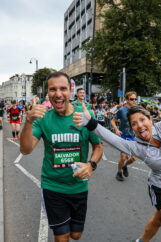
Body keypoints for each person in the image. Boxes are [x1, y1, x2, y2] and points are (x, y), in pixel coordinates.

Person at [73, 41, 161, 242]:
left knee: (158, 222)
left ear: (150, 119)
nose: (140, 126)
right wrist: (90, 123)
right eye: (134, 124)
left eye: (142, 120)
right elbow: (109, 136)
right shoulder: (135, 146)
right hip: (160, 188)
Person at [20, 72, 103, 242]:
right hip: (53, 186)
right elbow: (26, 150)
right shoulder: (42, 119)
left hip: (79, 187)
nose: (58, 93)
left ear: (70, 91)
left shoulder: (86, 116)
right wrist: (28, 121)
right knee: (62, 236)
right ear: (47, 93)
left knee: (76, 235)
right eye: (53, 89)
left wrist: (90, 165)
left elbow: (98, 147)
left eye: (62, 88)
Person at [111, 91, 138, 181]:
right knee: (123, 157)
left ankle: (125, 166)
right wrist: (116, 129)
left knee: (134, 158)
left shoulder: (136, 110)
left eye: (135, 99)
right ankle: (119, 172)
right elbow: (112, 121)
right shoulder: (122, 110)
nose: (134, 101)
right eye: (132, 99)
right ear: (127, 100)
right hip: (123, 136)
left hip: (132, 136)